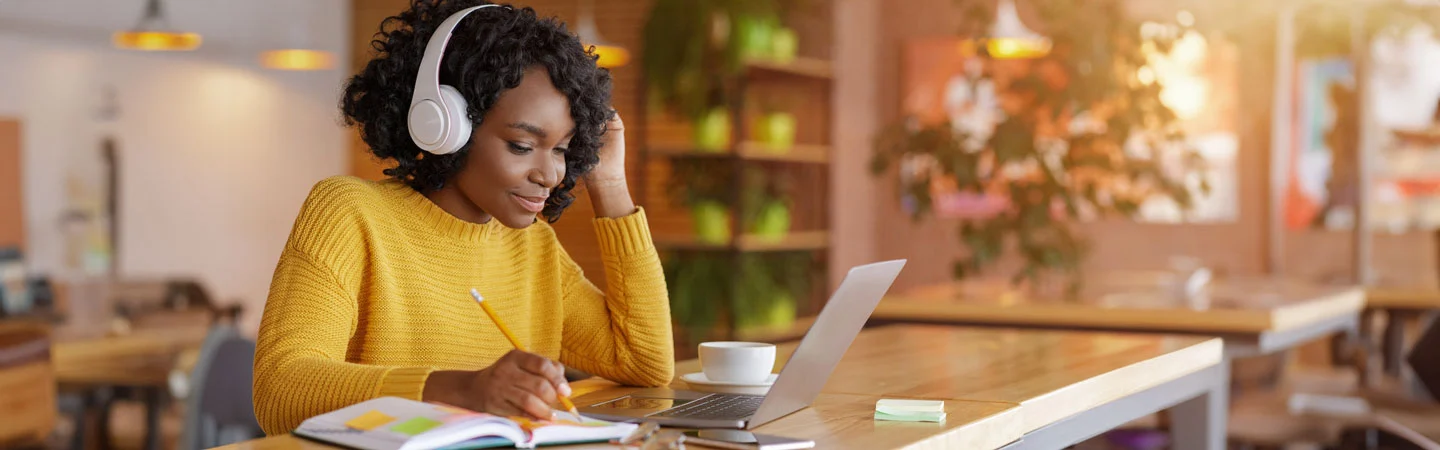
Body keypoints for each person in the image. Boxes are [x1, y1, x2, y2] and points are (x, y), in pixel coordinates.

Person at [251, 0, 673, 435]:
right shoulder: (350, 213)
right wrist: (461, 391)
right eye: (522, 146)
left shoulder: (533, 246)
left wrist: (609, 184)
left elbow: (645, 361)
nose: (550, 174)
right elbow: (281, 390)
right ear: (447, 126)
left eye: (563, 149)